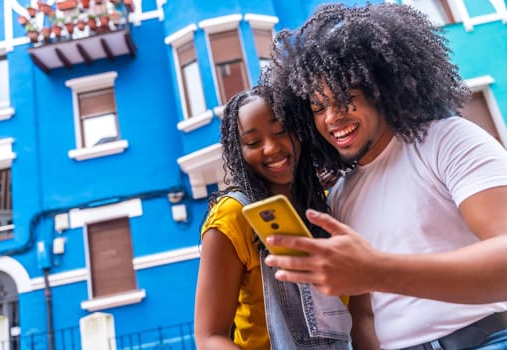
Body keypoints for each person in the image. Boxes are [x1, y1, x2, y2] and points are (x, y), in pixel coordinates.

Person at [263, 3, 507, 350]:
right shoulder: (343, 195)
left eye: (346, 99)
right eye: (318, 108)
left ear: (382, 90)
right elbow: (365, 315)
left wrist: (377, 270)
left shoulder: (448, 140)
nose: (332, 118)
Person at [194, 85, 351, 349]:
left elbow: (359, 314)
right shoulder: (232, 216)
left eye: (281, 132)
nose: (271, 148)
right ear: (239, 151)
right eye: (253, 142)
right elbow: (209, 336)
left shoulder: (331, 204)